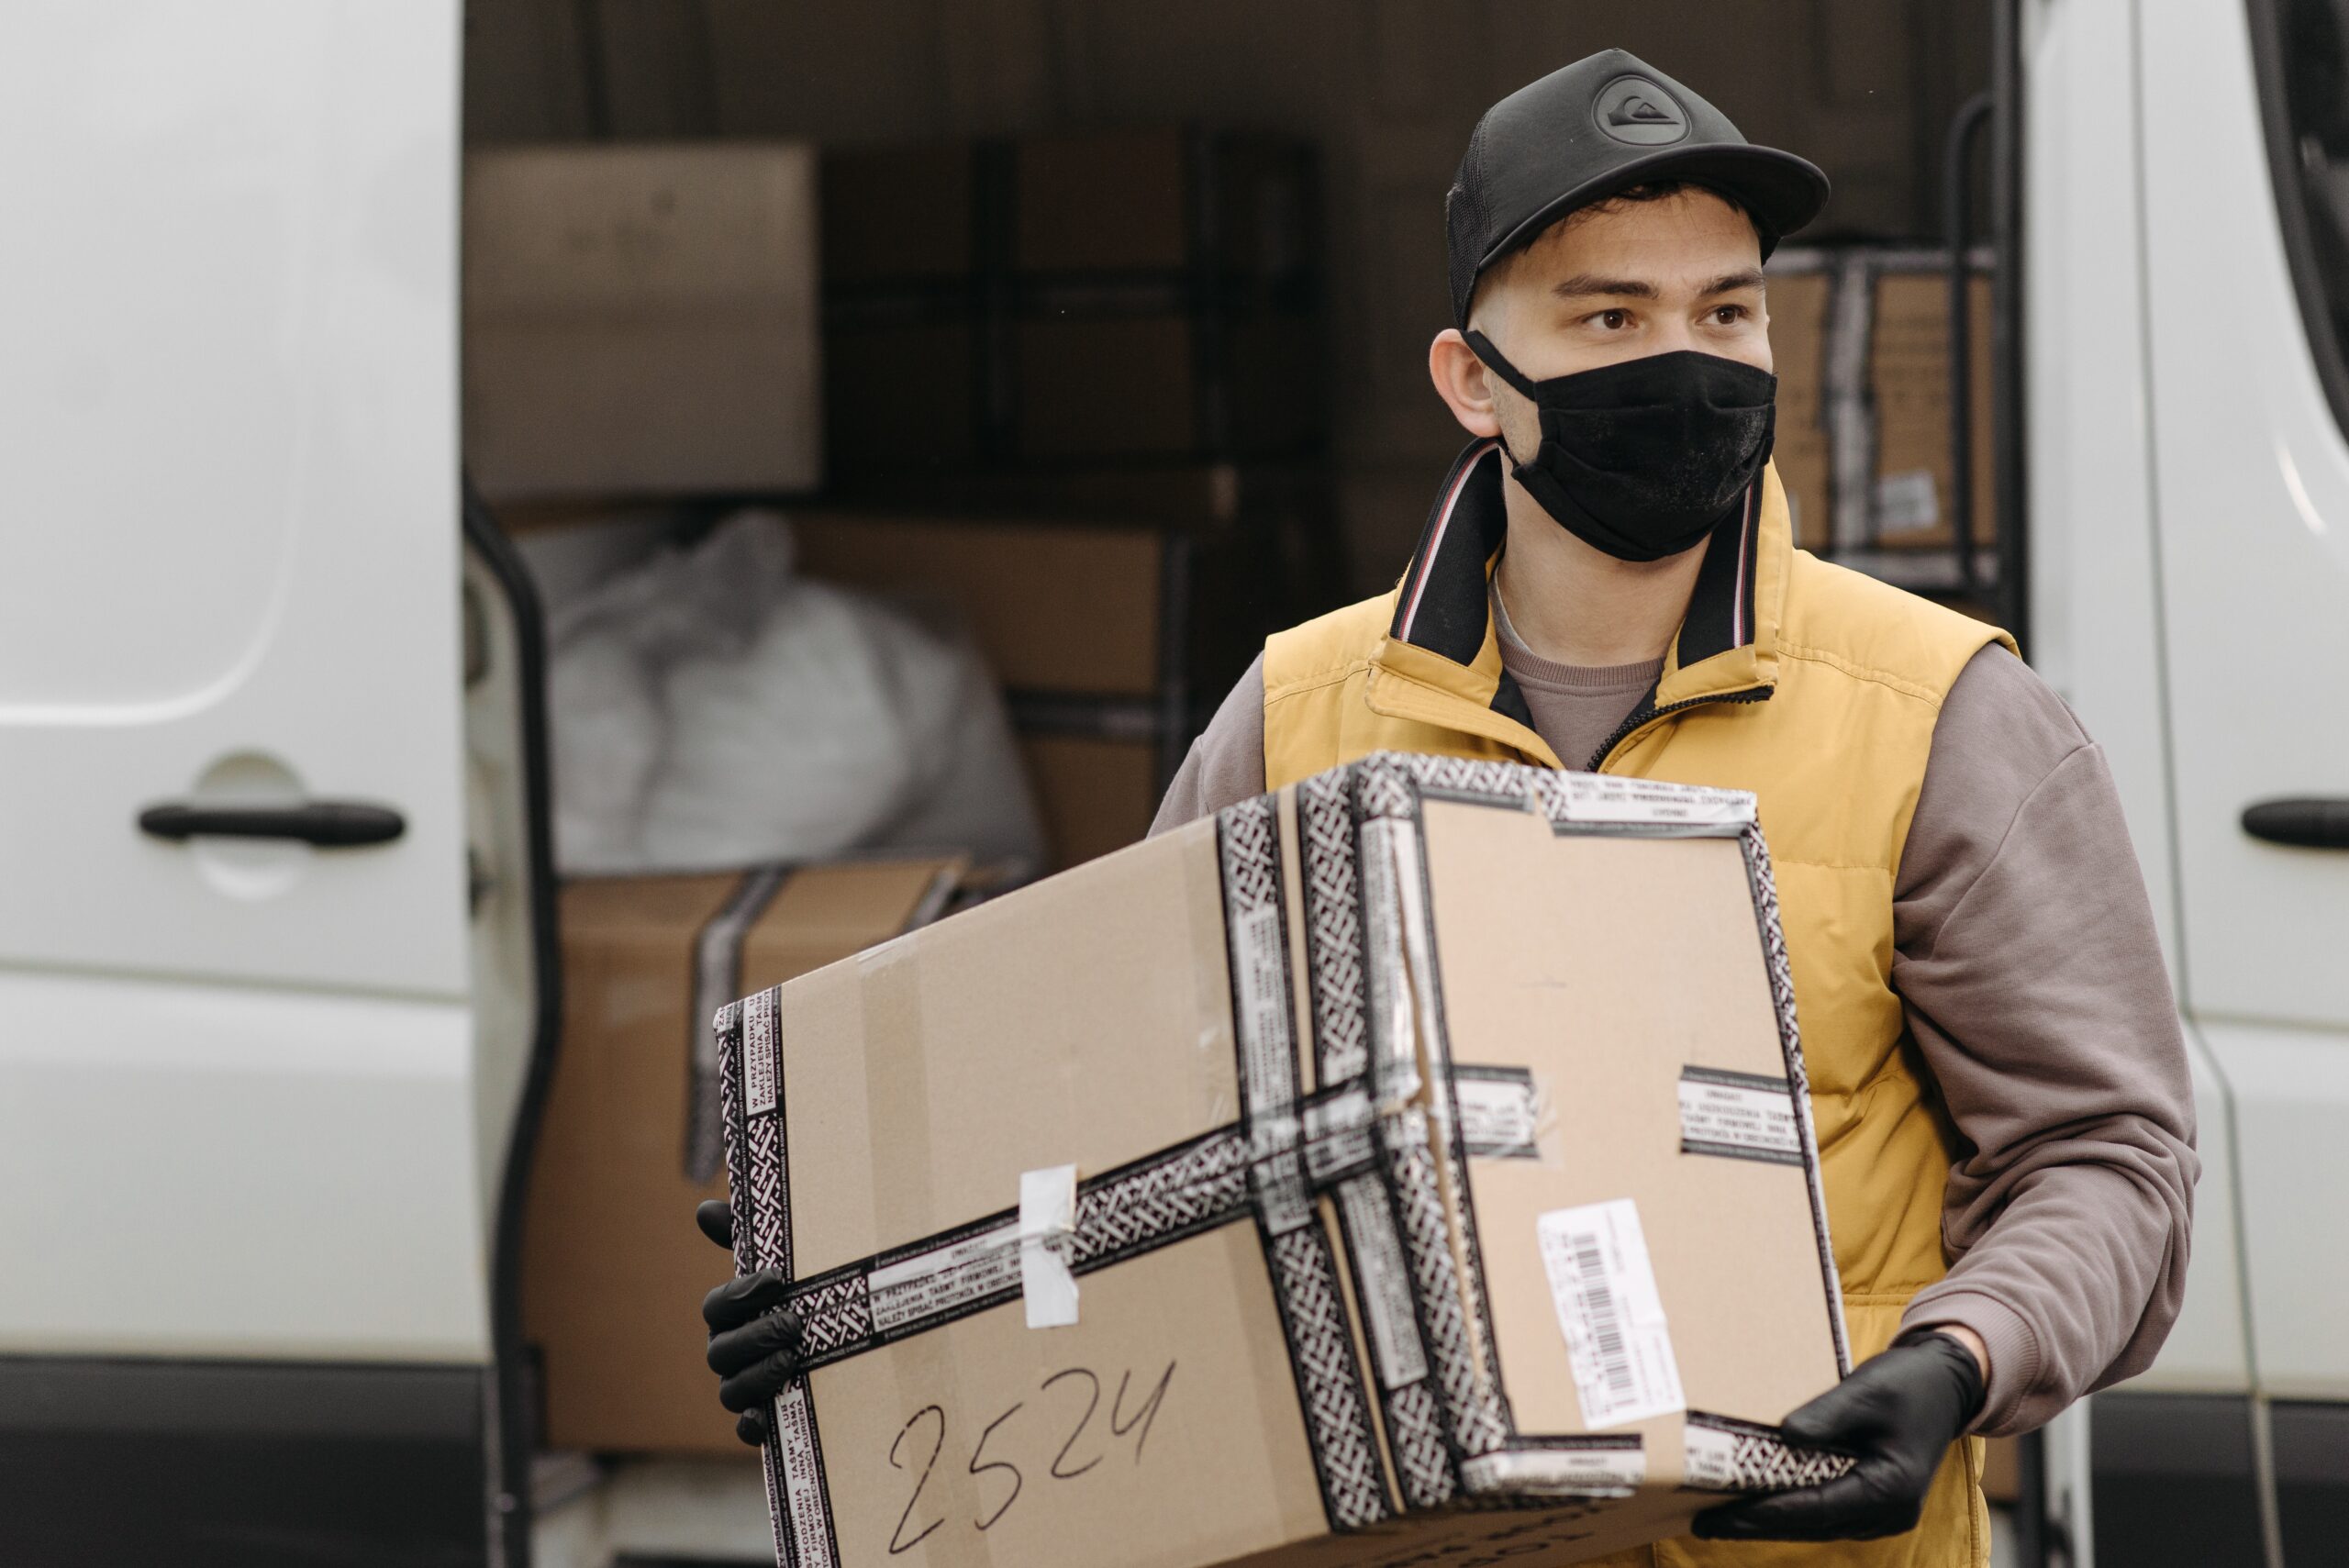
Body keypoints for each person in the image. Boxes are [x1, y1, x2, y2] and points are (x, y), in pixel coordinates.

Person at [698, 49, 2197, 1568]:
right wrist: (861, 1297)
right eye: (1611, 318)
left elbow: (2109, 1156)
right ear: (1472, 379)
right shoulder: (1296, 711)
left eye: (1726, 314)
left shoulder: (1942, 714)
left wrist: (1959, 1356)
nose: (1686, 365)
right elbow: (1129, 1133)